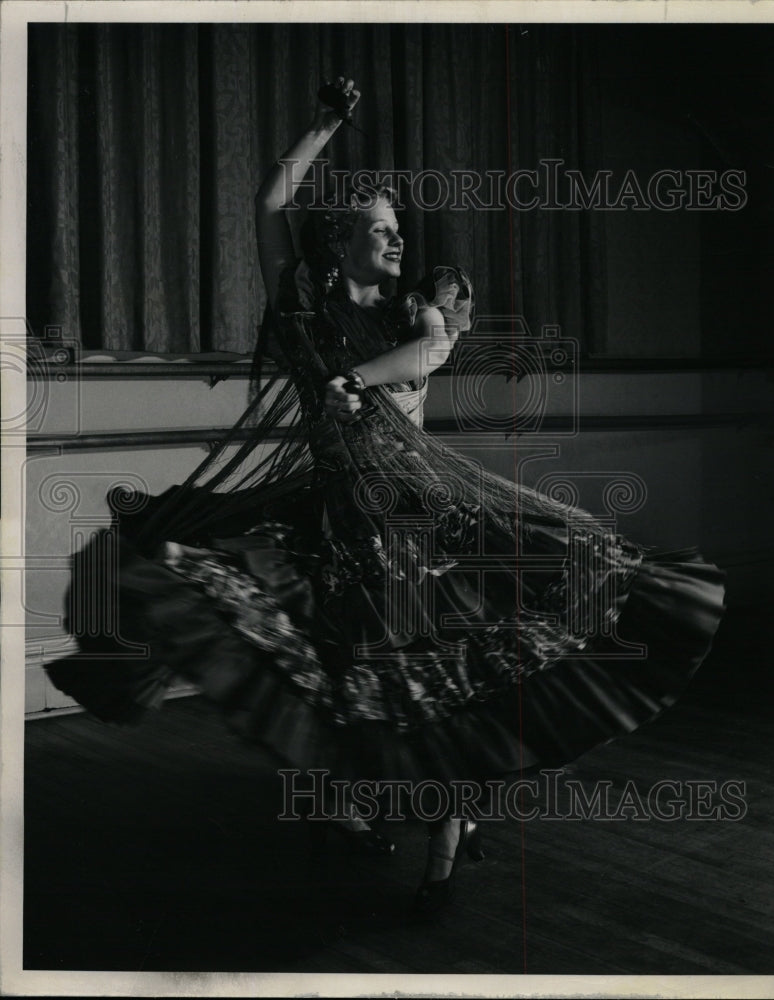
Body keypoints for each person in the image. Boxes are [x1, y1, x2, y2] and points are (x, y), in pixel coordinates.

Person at [47, 77, 726, 918]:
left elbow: (426, 360)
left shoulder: (422, 309)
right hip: (334, 511)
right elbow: (269, 200)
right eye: (378, 230)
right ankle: (354, 808)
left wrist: (350, 376)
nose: (397, 242)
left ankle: (442, 842)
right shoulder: (301, 301)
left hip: (413, 514)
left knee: (431, 680)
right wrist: (325, 126)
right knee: (333, 672)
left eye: (398, 230)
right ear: (338, 244)